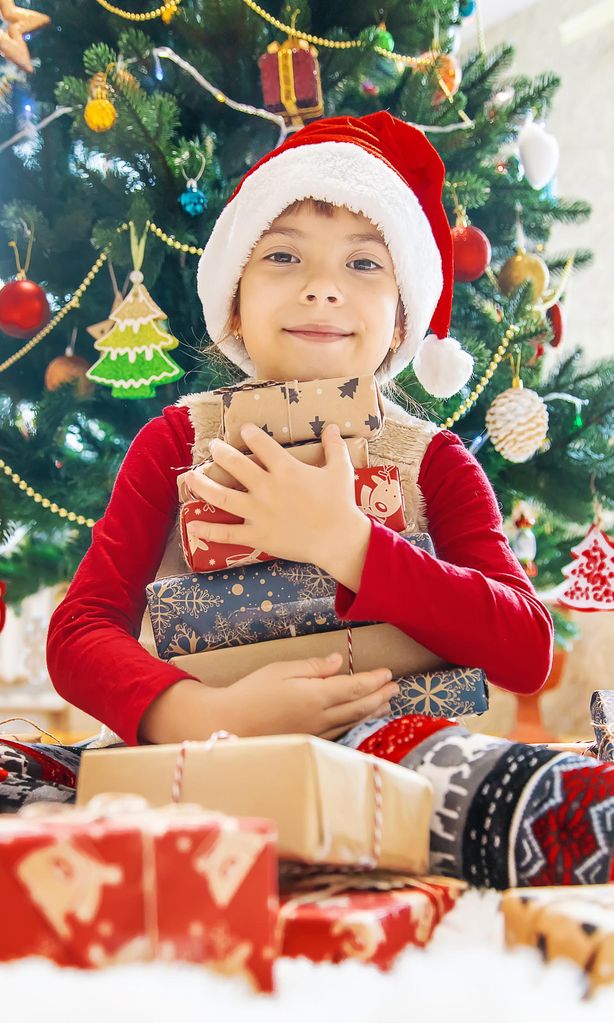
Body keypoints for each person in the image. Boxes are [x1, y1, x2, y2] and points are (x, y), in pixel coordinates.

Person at [5, 111, 613, 889]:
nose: (322, 286)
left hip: (381, 758)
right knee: (35, 779)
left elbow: (525, 648)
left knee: (521, 798)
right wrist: (189, 714)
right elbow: (81, 630)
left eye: (364, 264)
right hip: (196, 755)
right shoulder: (173, 444)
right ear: (232, 305)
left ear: (399, 321)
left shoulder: (434, 465)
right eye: (284, 255)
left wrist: (350, 543)